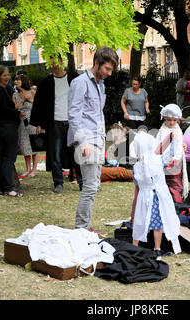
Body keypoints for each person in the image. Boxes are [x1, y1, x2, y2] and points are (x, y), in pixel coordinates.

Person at [67, 47, 119, 234]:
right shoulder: (80, 83)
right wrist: (83, 142)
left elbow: (96, 114)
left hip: (97, 139)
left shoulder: (100, 84)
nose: (109, 73)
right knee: (89, 186)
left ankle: (85, 226)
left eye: (111, 70)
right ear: (96, 63)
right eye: (107, 69)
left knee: (94, 185)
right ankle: (81, 228)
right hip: (86, 140)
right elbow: (74, 115)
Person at [31, 56, 80, 194]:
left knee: (76, 152)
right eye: (51, 63)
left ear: (62, 62)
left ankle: (81, 180)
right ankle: (58, 183)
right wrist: (39, 123)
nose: (54, 66)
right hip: (55, 123)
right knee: (55, 154)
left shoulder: (74, 78)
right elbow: (39, 103)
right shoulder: (46, 82)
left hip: (72, 122)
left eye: (56, 63)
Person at [131, 130, 181, 257]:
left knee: (140, 221)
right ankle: (157, 248)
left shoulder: (136, 167)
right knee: (157, 223)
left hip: (144, 198)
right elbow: (171, 154)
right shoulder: (159, 160)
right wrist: (174, 140)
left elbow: (136, 182)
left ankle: (134, 246)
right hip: (158, 197)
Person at [0, 65, 24, 197]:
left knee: (6, 158)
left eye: (7, 75)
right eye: (4, 75)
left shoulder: (5, 88)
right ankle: (7, 188)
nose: (7, 77)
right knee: (8, 158)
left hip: (6, 126)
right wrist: (17, 113)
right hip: (6, 127)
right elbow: (3, 109)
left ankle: (4, 187)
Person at [155, 104, 188, 203]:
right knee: (165, 186)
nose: (172, 122)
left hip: (176, 164)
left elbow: (178, 145)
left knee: (176, 186)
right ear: (164, 118)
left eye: (174, 120)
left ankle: (176, 207)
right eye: (169, 120)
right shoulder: (162, 131)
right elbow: (159, 148)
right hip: (164, 164)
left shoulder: (178, 130)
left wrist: (182, 145)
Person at [13, 74, 38, 177]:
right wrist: (22, 100)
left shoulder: (32, 92)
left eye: (17, 80)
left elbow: (38, 106)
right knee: (24, 145)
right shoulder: (15, 95)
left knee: (34, 145)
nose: (15, 82)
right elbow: (14, 108)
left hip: (32, 121)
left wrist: (29, 99)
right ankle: (27, 169)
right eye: (15, 80)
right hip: (22, 122)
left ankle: (34, 169)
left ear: (23, 81)